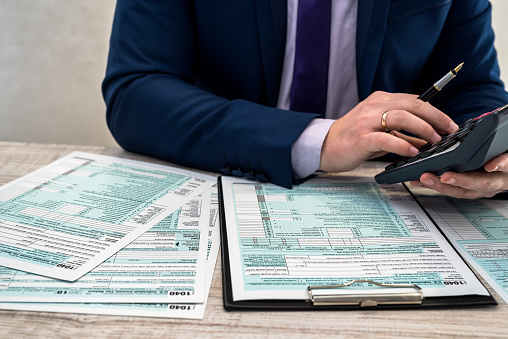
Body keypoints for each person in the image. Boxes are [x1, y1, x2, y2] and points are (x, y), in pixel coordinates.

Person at [102, 0, 508, 199]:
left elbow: (473, 88)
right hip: (223, 183)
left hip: (394, 199)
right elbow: (136, 92)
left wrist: (489, 151)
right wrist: (319, 140)